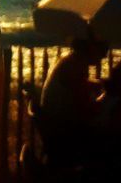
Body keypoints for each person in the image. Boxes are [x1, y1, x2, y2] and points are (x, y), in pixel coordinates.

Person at [38, 37, 107, 166]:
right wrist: (105, 100)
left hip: (57, 126)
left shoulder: (70, 61)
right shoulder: (74, 66)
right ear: (92, 49)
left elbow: (79, 88)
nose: (102, 58)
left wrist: (99, 85)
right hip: (64, 132)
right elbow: (83, 105)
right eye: (101, 52)